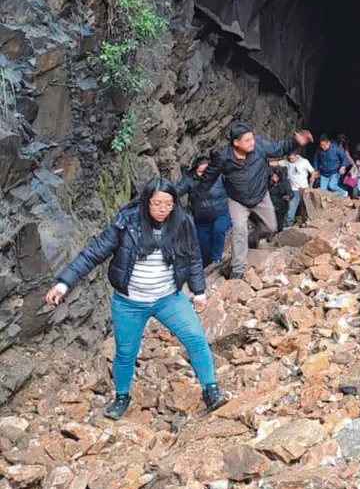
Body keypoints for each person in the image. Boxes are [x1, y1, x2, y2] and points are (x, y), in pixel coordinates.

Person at [43, 179, 224, 420]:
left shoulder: (183, 223)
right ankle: (121, 396)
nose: (162, 209)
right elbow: (93, 253)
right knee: (126, 352)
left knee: (196, 339)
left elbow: (192, 258)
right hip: (129, 301)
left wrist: (199, 291)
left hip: (168, 297)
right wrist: (63, 283)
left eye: (168, 204)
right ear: (146, 202)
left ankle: (210, 390)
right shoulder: (126, 223)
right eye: (156, 203)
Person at [202, 121, 313, 279]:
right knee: (239, 229)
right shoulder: (223, 156)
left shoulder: (259, 145)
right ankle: (238, 270)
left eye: (252, 138)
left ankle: (252, 238)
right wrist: (200, 195)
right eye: (247, 140)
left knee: (271, 227)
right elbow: (208, 177)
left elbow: (278, 148)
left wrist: (295, 142)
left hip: (260, 195)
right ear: (236, 143)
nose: (252, 142)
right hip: (237, 199)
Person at [178, 156, 231, 267]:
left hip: (221, 214)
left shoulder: (220, 176)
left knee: (218, 229)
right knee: (204, 249)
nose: (205, 174)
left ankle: (217, 259)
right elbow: (177, 190)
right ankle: (207, 269)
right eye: (201, 172)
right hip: (201, 220)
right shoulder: (190, 180)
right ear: (195, 171)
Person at [284, 149, 314, 224]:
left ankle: (308, 223)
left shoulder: (304, 162)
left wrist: (312, 177)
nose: (290, 160)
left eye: (292, 158)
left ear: (296, 156)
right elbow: (277, 163)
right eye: (289, 158)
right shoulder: (287, 161)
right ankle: (288, 225)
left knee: (306, 207)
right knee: (291, 208)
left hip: (304, 189)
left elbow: (312, 171)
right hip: (293, 190)